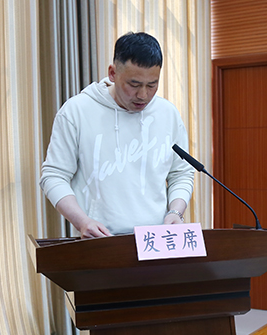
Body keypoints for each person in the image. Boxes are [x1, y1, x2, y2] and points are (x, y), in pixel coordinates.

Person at [40, 32, 195, 237]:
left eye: (152, 85)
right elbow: (54, 176)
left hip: (156, 241)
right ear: (112, 73)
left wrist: (176, 211)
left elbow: (181, 173)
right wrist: (82, 221)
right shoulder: (76, 111)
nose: (143, 95)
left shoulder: (168, 114)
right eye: (134, 85)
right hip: (101, 241)